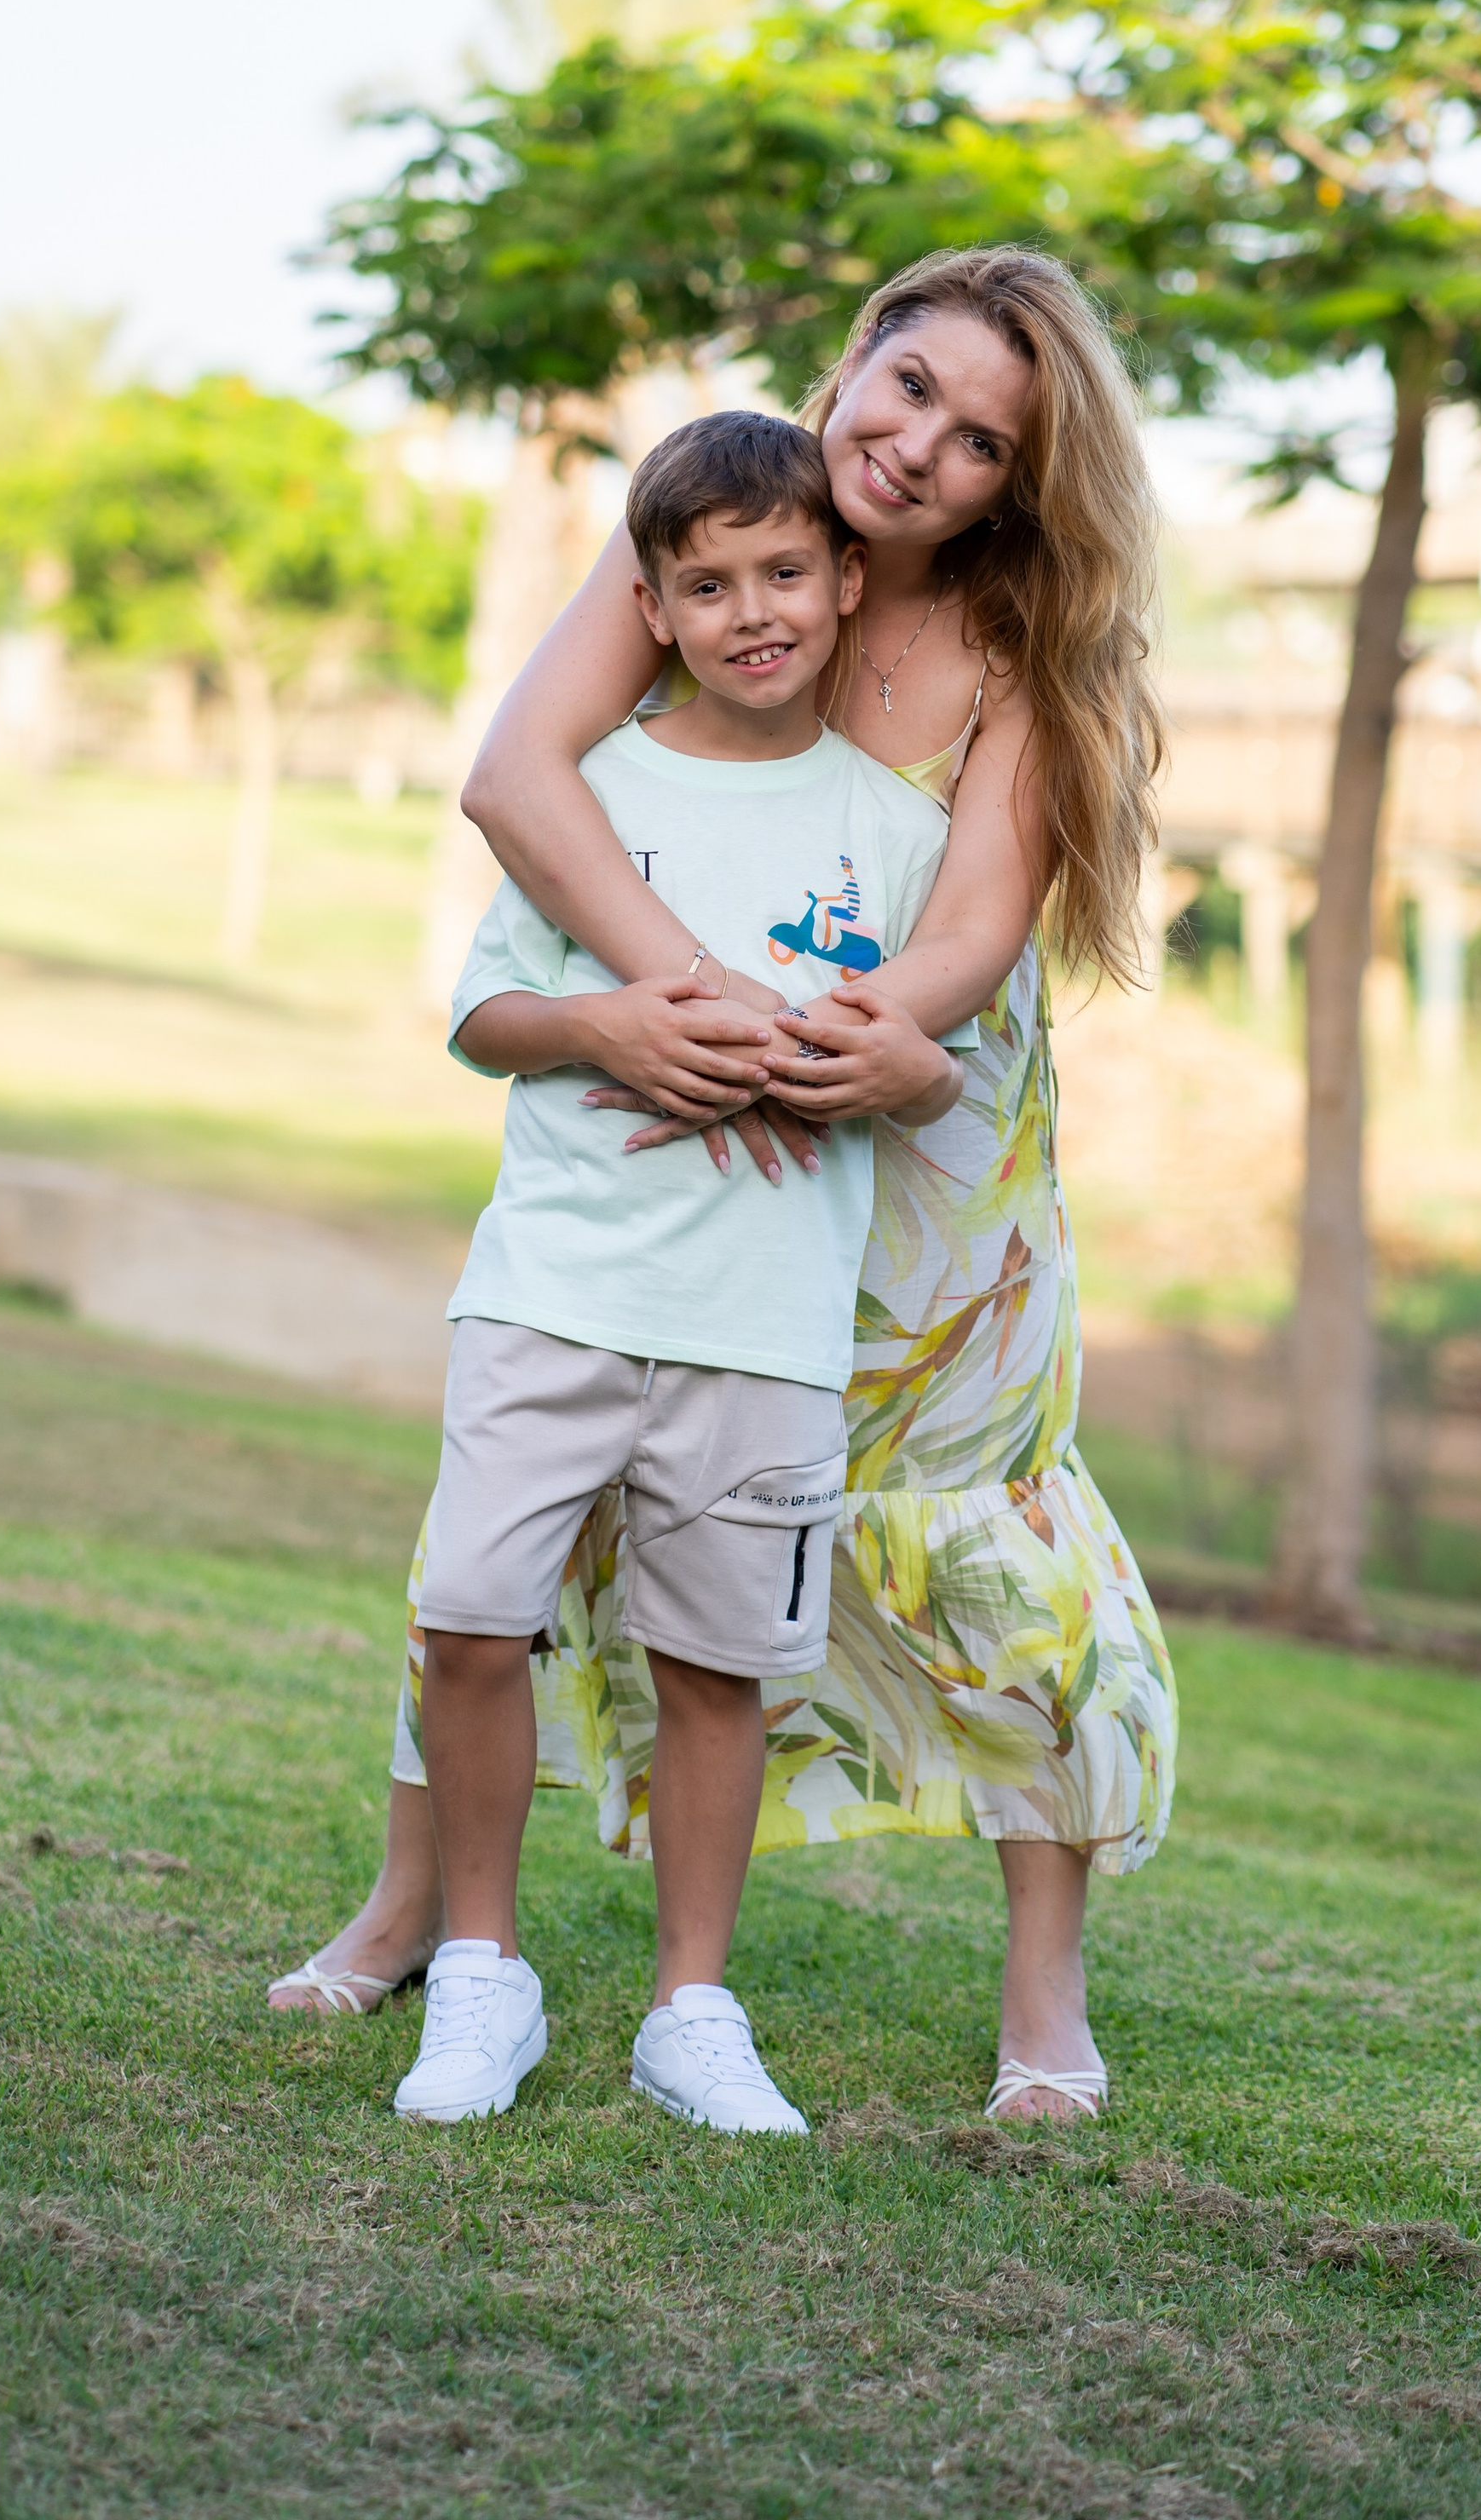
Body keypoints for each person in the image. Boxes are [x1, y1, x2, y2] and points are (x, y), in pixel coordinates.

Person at [271, 244, 1178, 2126]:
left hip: (910, 1122)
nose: (918, 445)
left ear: (1020, 483)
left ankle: (1041, 1983)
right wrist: (666, 1001)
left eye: (981, 439)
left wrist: (860, 1036)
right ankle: (411, 1911)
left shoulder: (1014, 648)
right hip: (688, 1079)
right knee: (531, 1517)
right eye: (906, 386)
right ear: (852, 362)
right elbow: (523, 777)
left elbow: (982, 921)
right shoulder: (714, 523)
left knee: (968, 1525)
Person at [389, 410, 968, 2130]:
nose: (750, 611)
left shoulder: (892, 831)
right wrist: (608, 1026)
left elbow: (939, 1067)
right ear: (645, 603)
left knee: (720, 1673)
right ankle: (480, 1976)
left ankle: (688, 2011)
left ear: (843, 579)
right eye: (703, 584)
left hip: (762, 1324)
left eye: (782, 571)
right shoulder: (590, 793)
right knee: (469, 1616)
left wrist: (888, 1070)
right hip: (556, 1290)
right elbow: (485, 1016)